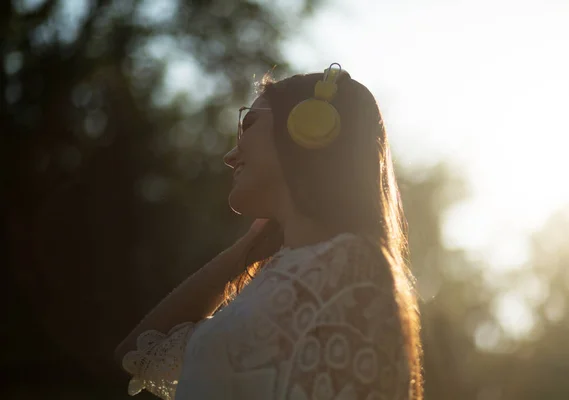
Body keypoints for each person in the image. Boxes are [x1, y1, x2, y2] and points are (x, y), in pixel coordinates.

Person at [114, 63, 423, 400]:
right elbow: (138, 354)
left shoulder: (349, 266)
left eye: (248, 124)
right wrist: (247, 248)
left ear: (308, 126)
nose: (230, 156)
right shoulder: (296, 276)